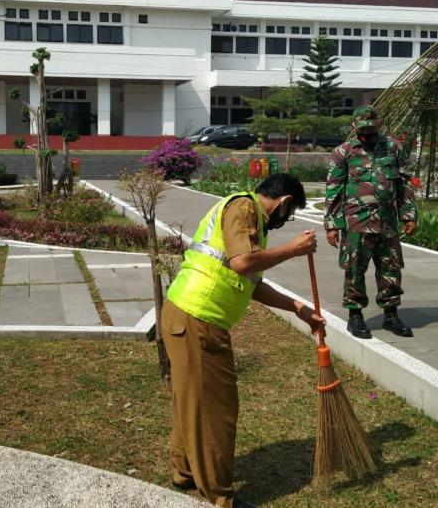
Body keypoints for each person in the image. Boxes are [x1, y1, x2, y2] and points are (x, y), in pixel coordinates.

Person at [162, 172, 325, 508]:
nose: (287, 220)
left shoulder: (251, 220)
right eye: (290, 214)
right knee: (217, 410)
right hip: (198, 318)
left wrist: (297, 308)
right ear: (284, 202)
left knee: (193, 403)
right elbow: (241, 263)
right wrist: (293, 250)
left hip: (188, 314)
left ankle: (185, 472)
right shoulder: (243, 208)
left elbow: (251, 281)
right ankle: (220, 496)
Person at [324, 105, 418, 339]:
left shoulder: (393, 148)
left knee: (391, 268)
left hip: (387, 222)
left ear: (379, 124)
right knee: (354, 270)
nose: (367, 134)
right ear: (354, 127)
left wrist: (409, 214)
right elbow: (334, 189)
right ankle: (355, 316)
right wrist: (332, 224)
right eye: (362, 129)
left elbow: (404, 184)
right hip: (357, 223)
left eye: (371, 128)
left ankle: (391, 315)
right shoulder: (343, 152)